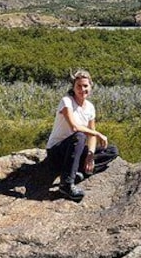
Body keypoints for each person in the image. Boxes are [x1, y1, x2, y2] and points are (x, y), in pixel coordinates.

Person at [46, 69, 119, 201]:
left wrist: (90, 155)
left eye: (85, 86)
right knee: (79, 136)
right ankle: (66, 185)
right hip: (58, 152)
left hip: (75, 152)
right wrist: (97, 134)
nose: (82, 89)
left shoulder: (90, 107)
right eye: (78, 86)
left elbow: (91, 136)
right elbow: (74, 127)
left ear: (91, 87)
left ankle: (79, 174)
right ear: (73, 87)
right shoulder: (66, 101)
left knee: (112, 150)